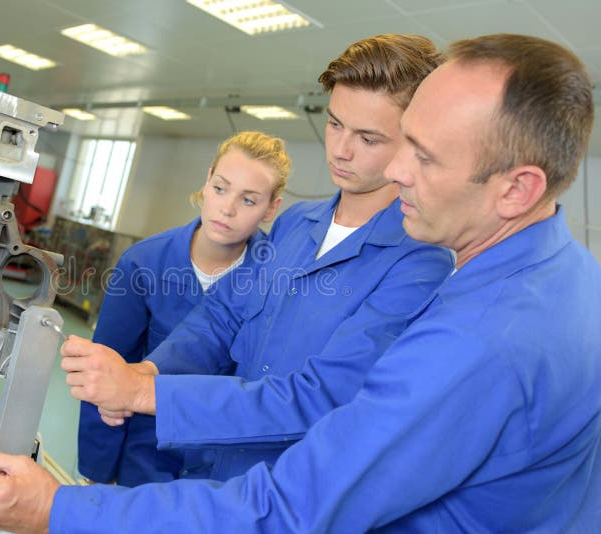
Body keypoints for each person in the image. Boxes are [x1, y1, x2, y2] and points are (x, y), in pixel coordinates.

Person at [0, 33, 601, 532]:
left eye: (417, 153)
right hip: (222, 475)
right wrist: (144, 382)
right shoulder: (556, 279)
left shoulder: (472, 331)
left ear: (518, 188)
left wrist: (62, 509)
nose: (392, 167)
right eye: (338, 126)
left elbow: (299, 499)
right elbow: (222, 318)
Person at [62, 34, 453, 482]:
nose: (341, 150)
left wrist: (145, 393)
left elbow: (320, 397)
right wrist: (145, 370)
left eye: (367, 138)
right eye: (335, 124)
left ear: (412, 140)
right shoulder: (295, 225)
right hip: (211, 473)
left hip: (287, 494)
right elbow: (222, 316)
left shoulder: (419, 264)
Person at [78, 131, 289, 487]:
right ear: (206, 182)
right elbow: (107, 372)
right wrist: (98, 474)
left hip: (227, 472)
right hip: (145, 462)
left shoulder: (277, 276)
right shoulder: (143, 264)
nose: (227, 208)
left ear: (271, 208)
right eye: (221, 188)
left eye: (249, 200)